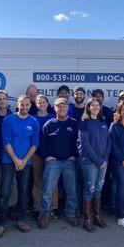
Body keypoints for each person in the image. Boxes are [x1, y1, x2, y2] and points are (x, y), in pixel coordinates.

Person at [0, 95, 39, 238]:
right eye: (22, 104)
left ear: (30, 106)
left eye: (27, 105)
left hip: (26, 162)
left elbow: (35, 144)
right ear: (17, 105)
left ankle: (21, 220)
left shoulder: (34, 122)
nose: (24, 107)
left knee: (23, 192)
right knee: (4, 192)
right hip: (8, 160)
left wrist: (23, 160)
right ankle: (0, 224)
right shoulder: (8, 120)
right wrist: (15, 159)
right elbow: (6, 141)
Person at [38, 97, 80, 229]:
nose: (61, 109)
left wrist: (75, 155)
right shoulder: (49, 124)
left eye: (64, 106)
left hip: (69, 162)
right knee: (47, 190)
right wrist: (46, 156)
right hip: (53, 162)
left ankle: (70, 214)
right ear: (54, 108)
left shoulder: (74, 123)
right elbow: (42, 143)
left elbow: (79, 142)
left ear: (68, 108)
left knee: (71, 190)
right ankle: (45, 214)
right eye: (59, 106)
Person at [78, 98, 111, 232]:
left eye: (98, 105)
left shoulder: (103, 121)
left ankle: (97, 217)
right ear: (88, 107)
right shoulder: (84, 122)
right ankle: (87, 220)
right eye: (93, 105)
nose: (96, 107)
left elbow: (108, 141)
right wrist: (98, 160)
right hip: (89, 161)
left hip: (103, 161)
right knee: (89, 189)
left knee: (98, 188)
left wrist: (104, 159)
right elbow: (85, 144)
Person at [32, 95, 58, 219]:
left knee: (52, 183)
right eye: (39, 102)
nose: (41, 104)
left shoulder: (53, 118)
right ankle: (38, 209)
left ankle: (52, 208)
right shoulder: (33, 119)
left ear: (48, 104)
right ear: (36, 104)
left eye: (43, 102)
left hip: (51, 155)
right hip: (36, 154)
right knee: (38, 183)